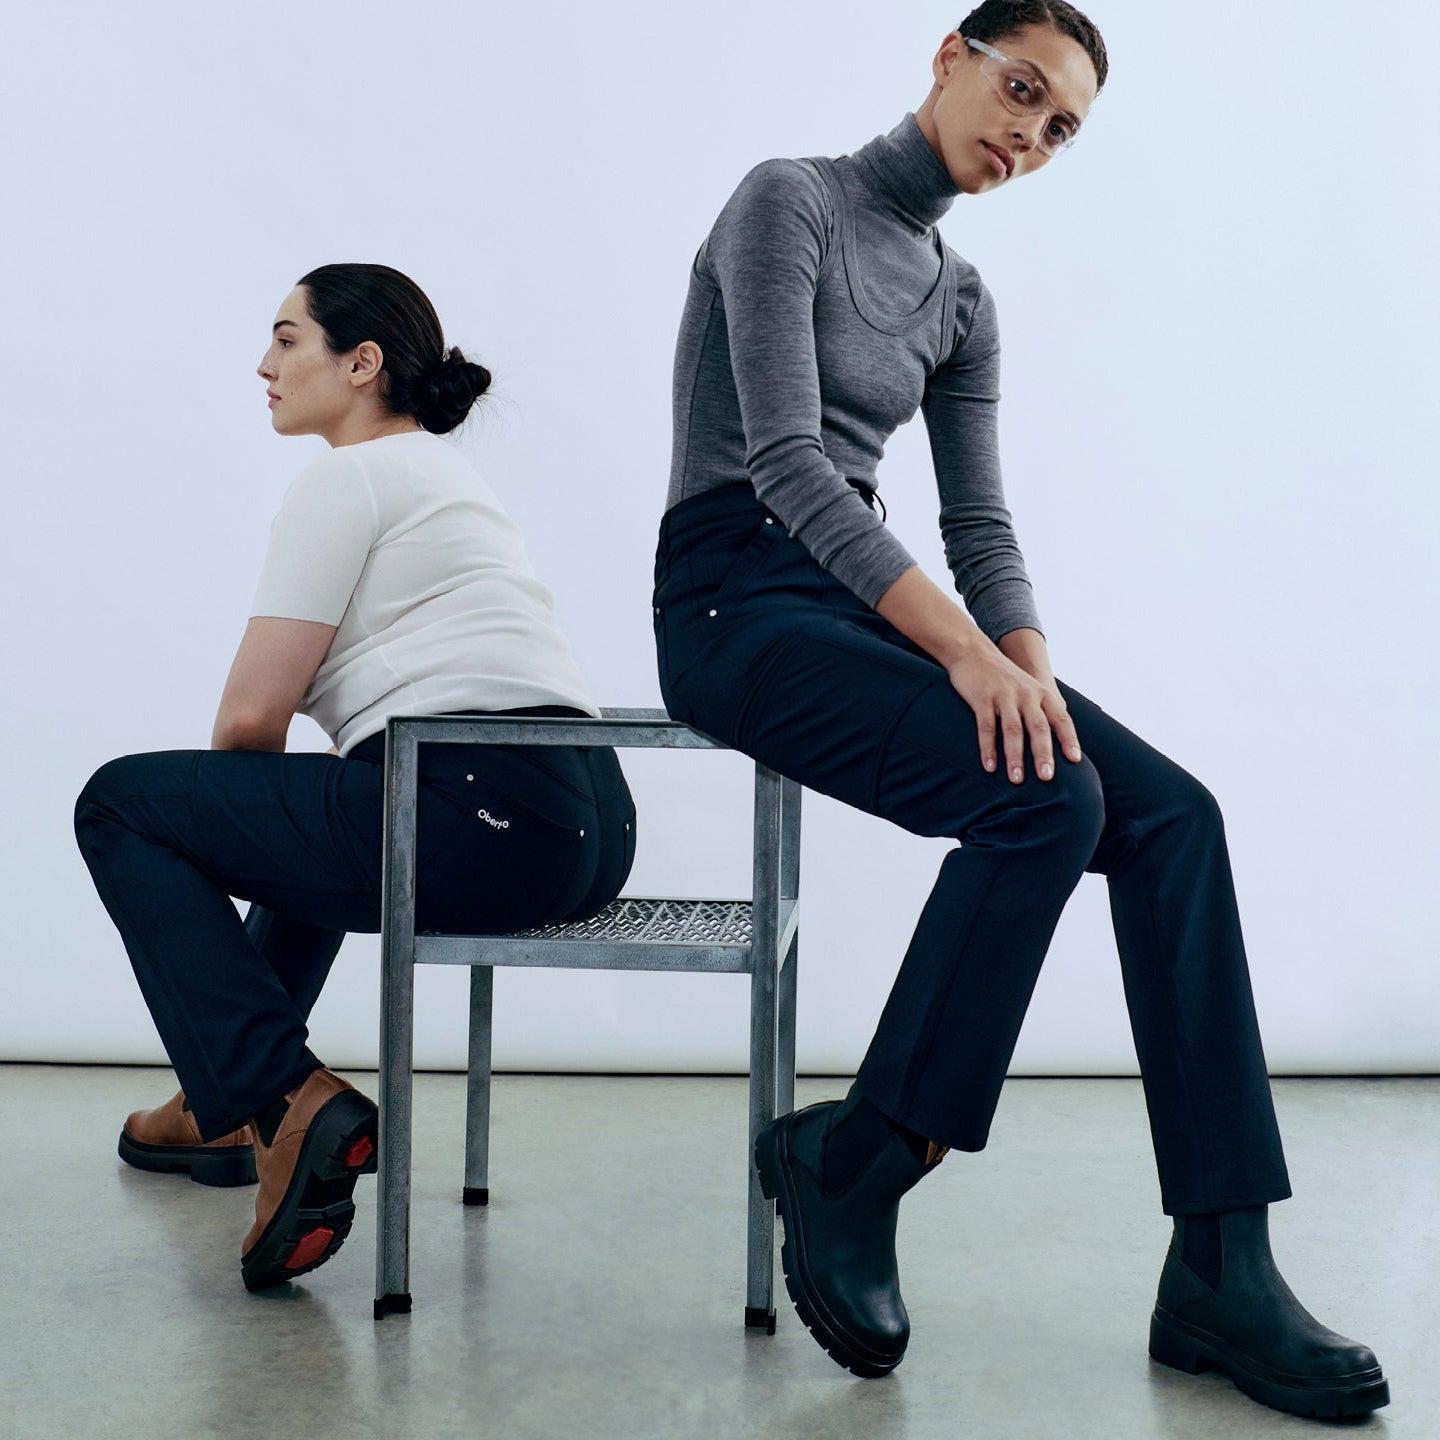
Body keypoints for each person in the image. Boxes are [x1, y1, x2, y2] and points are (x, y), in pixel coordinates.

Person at [651, 1, 1388, 1420]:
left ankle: (1222, 1266)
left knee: (1168, 811)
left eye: (1061, 129)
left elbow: (981, 527)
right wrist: (973, 665)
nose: (1028, 136)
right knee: (1044, 800)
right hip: (735, 598)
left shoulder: (963, 300)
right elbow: (793, 470)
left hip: (867, 603)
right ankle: (865, 1164)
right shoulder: (784, 200)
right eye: (1020, 89)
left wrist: (1025, 666)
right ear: (951, 56)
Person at [76, 263, 635, 1292]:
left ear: (361, 362)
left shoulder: (349, 478)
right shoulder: (446, 478)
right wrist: (265, 834)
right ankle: (227, 1102)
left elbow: (251, 719)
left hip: (474, 814)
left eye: (287, 340)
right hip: (589, 826)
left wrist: (218, 843)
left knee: (121, 803)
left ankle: (281, 1099)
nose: (264, 364)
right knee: (331, 799)